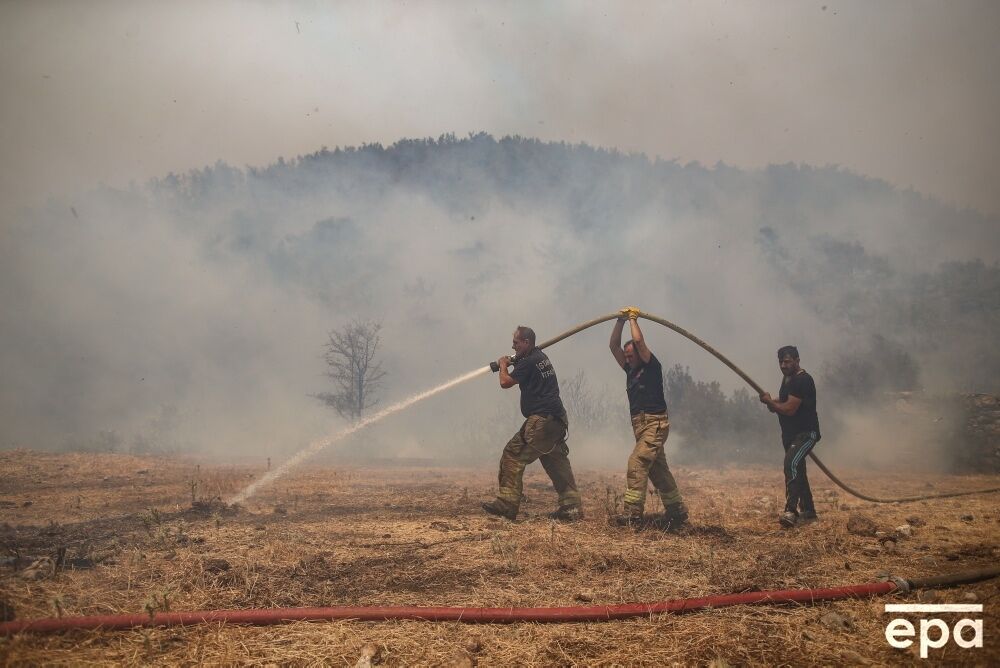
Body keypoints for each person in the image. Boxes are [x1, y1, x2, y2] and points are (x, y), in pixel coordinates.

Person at [481, 326, 584, 521]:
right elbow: (526, 369)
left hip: (542, 421)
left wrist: (503, 365)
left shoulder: (529, 362)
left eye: (516, 342)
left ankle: (506, 504)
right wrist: (515, 361)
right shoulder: (540, 357)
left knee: (512, 455)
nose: (513, 346)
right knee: (555, 461)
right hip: (557, 420)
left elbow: (505, 382)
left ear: (526, 342)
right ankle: (571, 508)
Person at [609, 307, 688, 528]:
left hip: (655, 423)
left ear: (640, 354)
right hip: (640, 425)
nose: (627, 359)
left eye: (631, 355)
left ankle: (632, 514)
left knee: (637, 462)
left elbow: (639, 342)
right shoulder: (630, 369)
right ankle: (677, 511)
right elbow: (613, 346)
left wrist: (633, 319)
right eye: (626, 356)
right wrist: (619, 321)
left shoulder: (652, 365)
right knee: (658, 470)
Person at [759, 345, 821, 528]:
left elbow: (789, 409)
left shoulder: (803, 380)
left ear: (797, 360)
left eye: (787, 361)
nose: (783, 365)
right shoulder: (787, 378)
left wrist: (770, 402)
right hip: (791, 435)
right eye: (780, 362)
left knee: (791, 464)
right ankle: (808, 512)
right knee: (798, 470)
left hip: (806, 434)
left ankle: (791, 511)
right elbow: (783, 402)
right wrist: (771, 401)